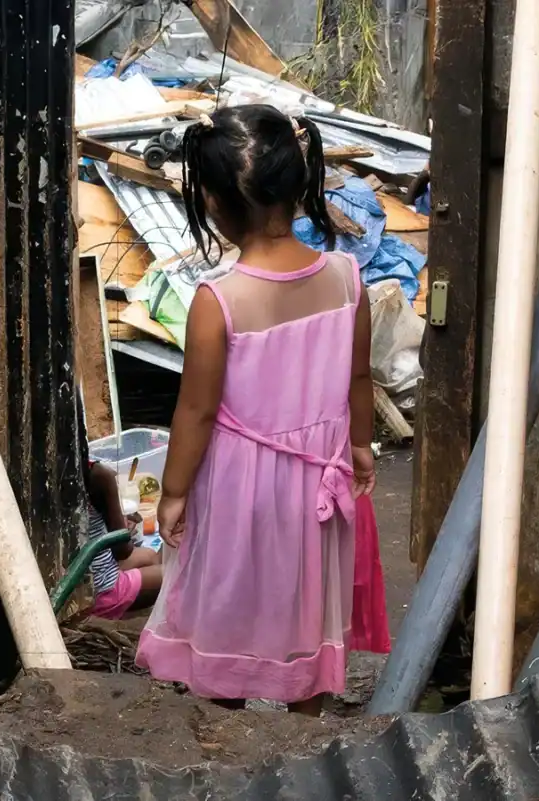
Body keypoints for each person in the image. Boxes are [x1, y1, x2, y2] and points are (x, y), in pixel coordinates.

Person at [134, 104, 375, 716]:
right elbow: (358, 378)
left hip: (240, 487)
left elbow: (195, 413)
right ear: (300, 181)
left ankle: (226, 722)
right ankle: (304, 729)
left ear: (213, 201)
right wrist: (363, 447)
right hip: (317, 478)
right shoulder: (348, 279)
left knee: (232, 600)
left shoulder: (219, 299)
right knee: (305, 601)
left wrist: (174, 492)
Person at [77, 399, 163, 619]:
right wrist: (125, 528)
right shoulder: (97, 476)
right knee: (173, 577)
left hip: (77, 579)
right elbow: (122, 551)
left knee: (150, 556)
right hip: (99, 590)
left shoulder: (60, 472)